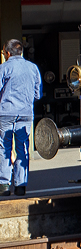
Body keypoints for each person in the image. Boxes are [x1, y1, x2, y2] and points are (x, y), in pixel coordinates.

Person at [0, 38, 40, 196]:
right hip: (25, 113)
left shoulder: (3, 68)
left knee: (4, 148)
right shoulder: (33, 68)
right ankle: (20, 185)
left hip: (6, 113)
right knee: (22, 148)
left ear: (8, 53)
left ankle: (4, 185)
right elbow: (37, 94)